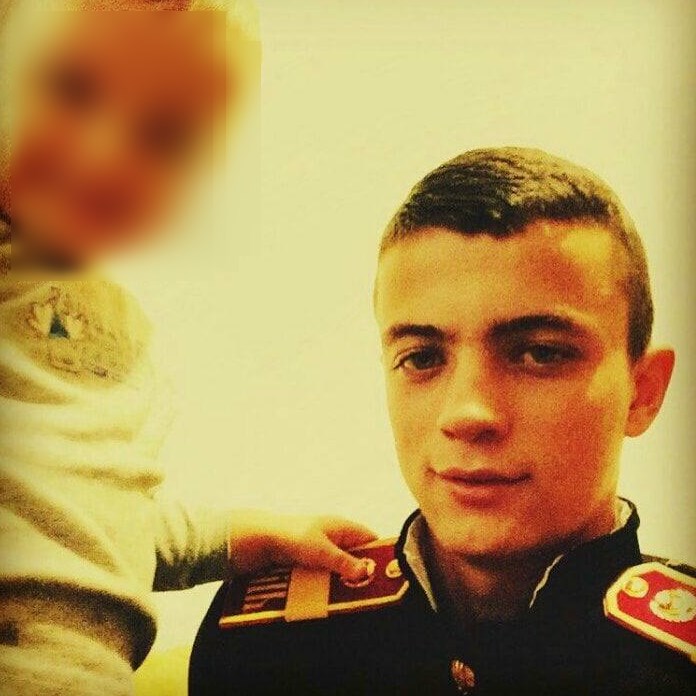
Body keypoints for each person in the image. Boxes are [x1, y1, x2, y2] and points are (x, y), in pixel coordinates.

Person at [189, 146, 696, 695]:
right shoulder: (268, 649)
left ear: (644, 393)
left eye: (541, 353)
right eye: (422, 358)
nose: (467, 413)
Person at [0, 2, 375, 694]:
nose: (104, 153)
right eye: (71, 88)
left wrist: (241, 536)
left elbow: (95, 522)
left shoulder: (119, 326)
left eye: (165, 138)